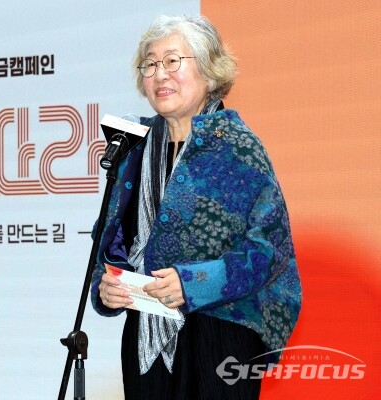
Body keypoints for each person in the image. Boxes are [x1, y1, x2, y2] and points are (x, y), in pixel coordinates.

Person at [90, 14, 302, 399]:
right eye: (150, 64)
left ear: (208, 69)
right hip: (144, 335)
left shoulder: (236, 147)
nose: (160, 74)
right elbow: (111, 238)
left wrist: (194, 283)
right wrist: (107, 285)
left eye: (172, 61)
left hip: (219, 335)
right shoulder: (133, 149)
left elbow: (270, 251)